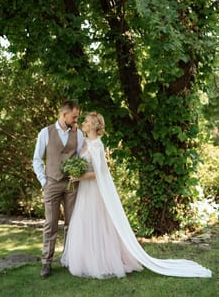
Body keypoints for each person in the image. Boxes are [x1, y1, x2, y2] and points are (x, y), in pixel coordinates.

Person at [61, 111, 212, 279]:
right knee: (85, 222)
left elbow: (99, 173)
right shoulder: (86, 142)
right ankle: (86, 260)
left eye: (87, 121)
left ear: (94, 126)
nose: (83, 123)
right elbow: (83, 163)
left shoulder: (97, 145)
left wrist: (79, 177)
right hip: (85, 190)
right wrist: (76, 170)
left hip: (95, 191)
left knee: (97, 223)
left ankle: (102, 261)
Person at [33, 100, 84, 278]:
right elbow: (37, 159)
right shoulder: (45, 133)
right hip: (52, 183)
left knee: (72, 224)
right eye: (74, 116)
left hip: (72, 184)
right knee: (50, 224)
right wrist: (44, 181)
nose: (76, 119)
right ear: (64, 115)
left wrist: (79, 173)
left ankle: (70, 259)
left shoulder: (78, 134)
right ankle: (46, 262)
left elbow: (80, 157)